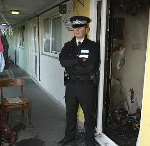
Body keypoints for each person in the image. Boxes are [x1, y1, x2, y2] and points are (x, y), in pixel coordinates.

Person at [59, 16, 100, 146]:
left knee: (89, 114)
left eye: (80, 27)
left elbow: (91, 66)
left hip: (86, 85)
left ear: (86, 29)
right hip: (71, 85)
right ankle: (69, 136)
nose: (76, 30)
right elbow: (62, 61)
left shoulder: (93, 46)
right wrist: (78, 61)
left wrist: (72, 65)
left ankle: (89, 139)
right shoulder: (68, 45)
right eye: (75, 27)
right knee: (70, 113)